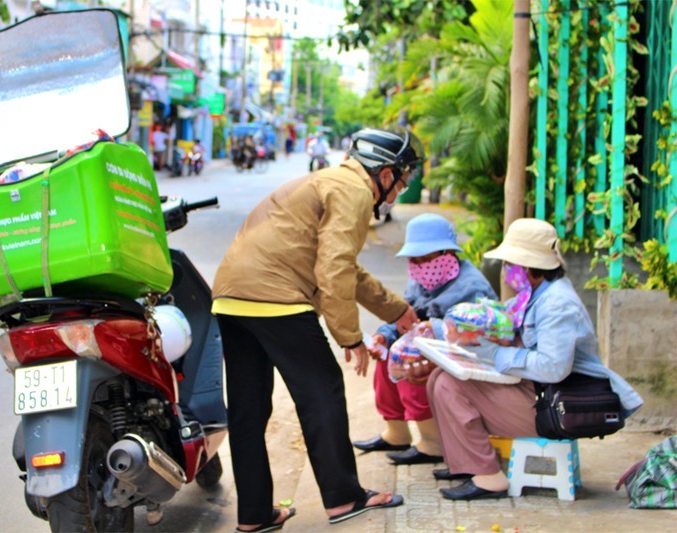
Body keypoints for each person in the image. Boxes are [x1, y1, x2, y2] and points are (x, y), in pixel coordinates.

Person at [212, 127, 424, 531]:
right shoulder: (355, 191)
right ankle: (344, 499)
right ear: (383, 174)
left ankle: (254, 516)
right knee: (323, 390)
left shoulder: (328, 180)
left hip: (230, 297)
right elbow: (336, 268)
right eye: (402, 177)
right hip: (277, 297)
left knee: (249, 410)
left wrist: (396, 309)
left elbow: (346, 268)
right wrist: (349, 336)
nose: (402, 188)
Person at [426, 218, 643, 500]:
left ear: (528, 268)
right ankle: (466, 463)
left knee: (450, 387)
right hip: (538, 393)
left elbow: (552, 368)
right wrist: (440, 328)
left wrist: (492, 354)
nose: (505, 272)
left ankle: (489, 478)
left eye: (509, 265)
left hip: (556, 405)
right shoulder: (533, 295)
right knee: (438, 378)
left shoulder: (557, 304)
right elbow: (496, 324)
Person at [353, 214, 497, 465]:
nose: (419, 264)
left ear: (446, 253)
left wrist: (436, 328)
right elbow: (408, 314)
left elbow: (480, 332)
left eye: (426, 258)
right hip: (430, 348)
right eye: (414, 259)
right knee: (387, 361)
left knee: (410, 365)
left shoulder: (472, 286)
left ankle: (432, 443)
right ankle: (396, 433)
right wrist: (384, 336)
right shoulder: (420, 279)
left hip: (465, 357)